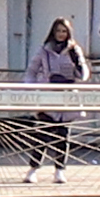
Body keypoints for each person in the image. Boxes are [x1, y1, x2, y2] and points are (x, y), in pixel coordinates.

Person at [23, 16, 88, 183]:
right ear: (53, 32)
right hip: (48, 96)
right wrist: (33, 89)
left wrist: (77, 63)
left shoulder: (75, 50)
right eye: (58, 31)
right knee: (42, 134)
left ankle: (59, 170)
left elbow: (84, 75)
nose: (61, 34)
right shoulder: (44, 50)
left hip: (66, 97)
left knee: (63, 135)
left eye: (64, 31)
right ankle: (33, 169)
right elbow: (31, 70)